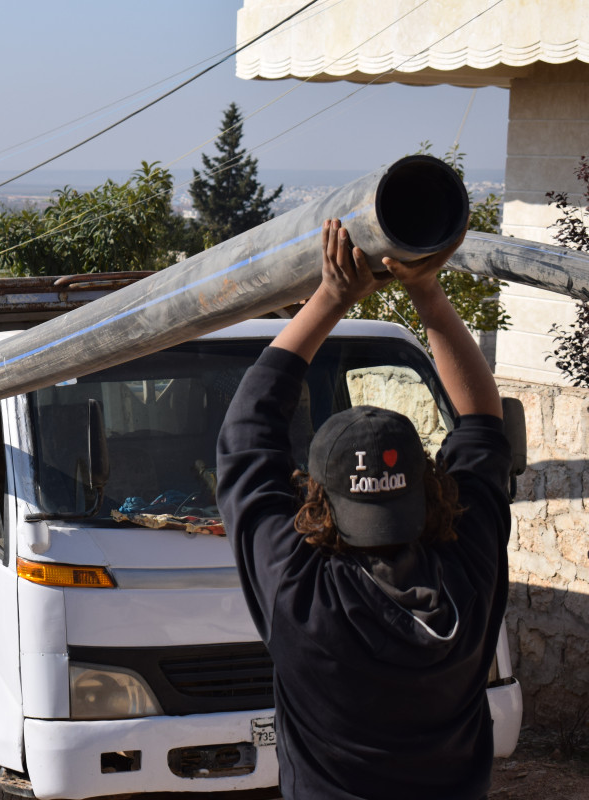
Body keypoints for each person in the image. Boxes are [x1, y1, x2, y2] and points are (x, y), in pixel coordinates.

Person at [216, 219, 511, 799]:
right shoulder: (467, 580)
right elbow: (480, 426)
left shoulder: (302, 594)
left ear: (317, 498)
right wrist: (426, 290)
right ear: (430, 489)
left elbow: (246, 432)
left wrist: (332, 296)